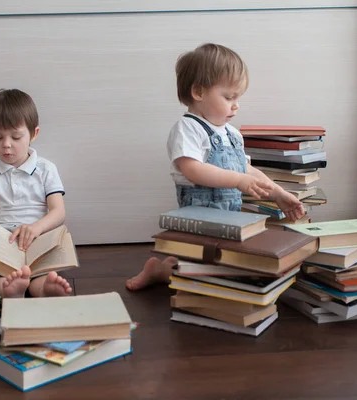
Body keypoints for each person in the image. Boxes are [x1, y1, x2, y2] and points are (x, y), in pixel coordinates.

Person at [126, 43, 305, 291]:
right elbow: (192, 169)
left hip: (230, 214)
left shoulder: (232, 134)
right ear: (199, 92)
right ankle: (160, 270)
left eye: (238, 98)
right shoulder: (188, 128)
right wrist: (237, 181)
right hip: (201, 214)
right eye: (229, 97)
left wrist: (278, 193)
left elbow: (247, 170)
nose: (236, 105)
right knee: (199, 263)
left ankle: (168, 267)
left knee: (222, 262)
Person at [0, 89, 72, 298]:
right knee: (0, 281)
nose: (6, 144)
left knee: (40, 279)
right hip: (3, 244)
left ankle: (45, 290)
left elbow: (58, 212)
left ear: (34, 134)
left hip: (39, 239)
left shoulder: (45, 169)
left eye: (15, 137)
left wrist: (36, 228)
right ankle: (12, 292)